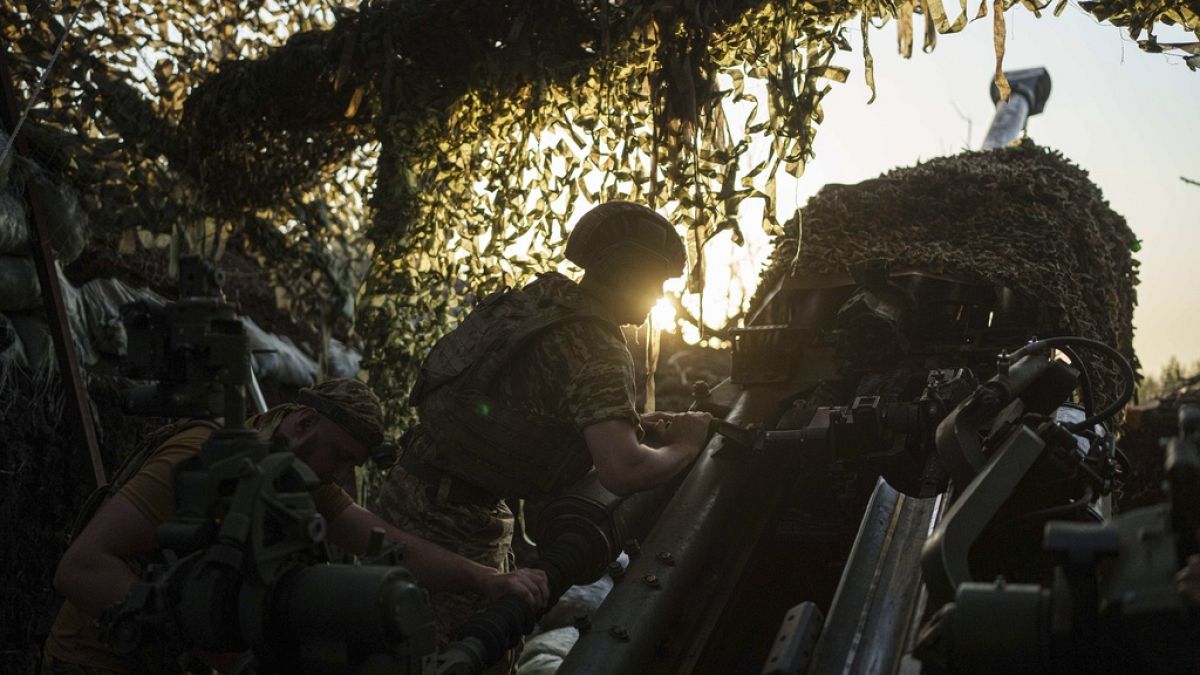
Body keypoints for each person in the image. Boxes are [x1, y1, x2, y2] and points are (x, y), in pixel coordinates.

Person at [376, 201, 713, 646]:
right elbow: (623, 470)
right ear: (628, 272)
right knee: (458, 655)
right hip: (455, 529)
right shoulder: (598, 345)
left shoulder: (537, 302)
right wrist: (687, 445)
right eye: (656, 282)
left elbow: (516, 397)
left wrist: (622, 421)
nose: (659, 297)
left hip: (405, 494)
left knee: (381, 640)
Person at [44, 378, 549, 674]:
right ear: (304, 424)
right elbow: (81, 569)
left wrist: (487, 579)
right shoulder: (202, 456)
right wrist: (211, 651)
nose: (341, 476)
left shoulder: (295, 477)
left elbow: (385, 542)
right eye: (341, 457)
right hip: (94, 662)